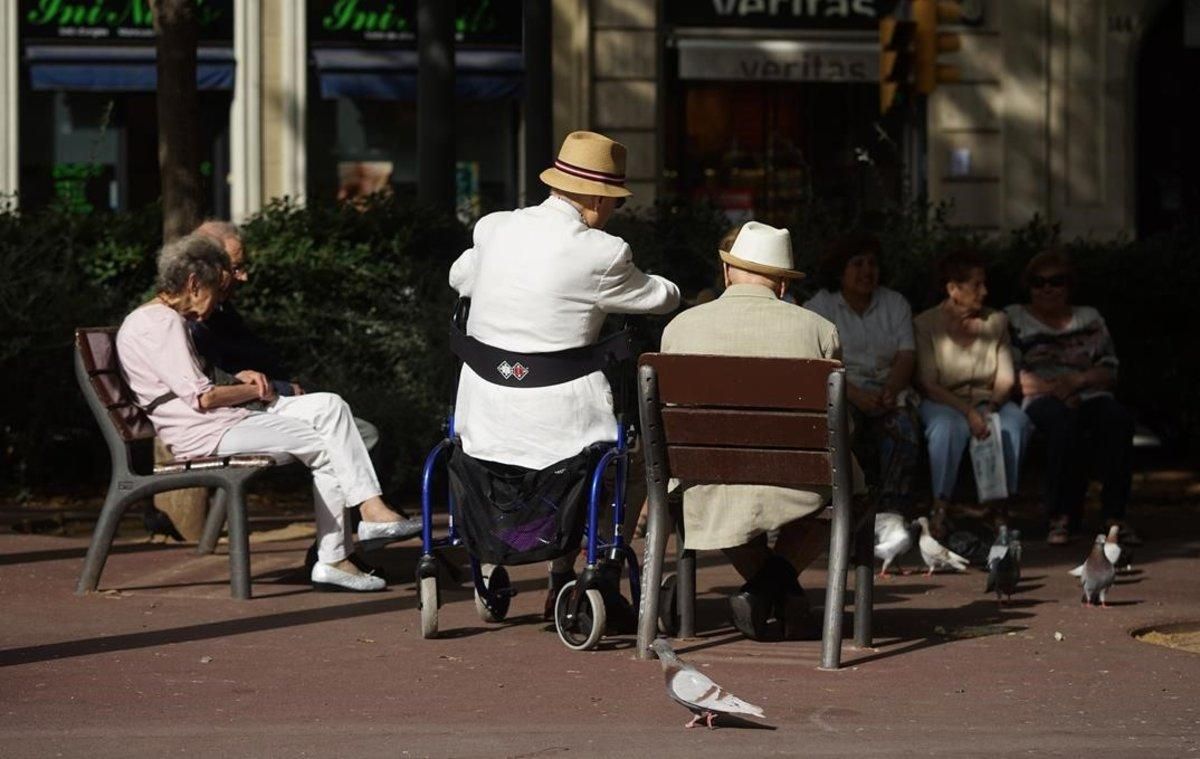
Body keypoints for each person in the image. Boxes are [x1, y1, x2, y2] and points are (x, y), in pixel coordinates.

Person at [449, 130, 680, 617]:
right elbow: (658, 299)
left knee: (512, 461)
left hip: (483, 416)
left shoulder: (494, 228)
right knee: (632, 465)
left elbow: (460, 277)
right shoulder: (603, 252)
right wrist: (675, 288)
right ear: (597, 198)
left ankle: (495, 555)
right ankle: (575, 573)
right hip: (563, 428)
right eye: (613, 200)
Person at [117, 233, 414, 592]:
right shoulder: (159, 323)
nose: (212, 307)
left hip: (223, 423)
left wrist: (242, 382)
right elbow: (203, 398)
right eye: (214, 290)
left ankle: (370, 513)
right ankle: (336, 556)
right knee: (325, 442)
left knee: (330, 406)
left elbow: (195, 387)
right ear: (194, 284)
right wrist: (254, 388)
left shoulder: (161, 320)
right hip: (206, 433)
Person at [187, 220, 416, 561]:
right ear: (209, 268)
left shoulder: (219, 309)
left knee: (344, 420)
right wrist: (279, 387)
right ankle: (342, 543)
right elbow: (213, 386)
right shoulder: (194, 316)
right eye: (237, 267)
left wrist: (283, 386)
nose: (245, 276)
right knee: (349, 432)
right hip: (234, 419)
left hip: (259, 405)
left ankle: (349, 538)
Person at [660, 221, 841, 641]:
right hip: (797, 480)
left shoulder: (680, 328)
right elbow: (836, 421)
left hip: (706, 476)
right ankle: (775, 588)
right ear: (782, 285)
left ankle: (764, 588)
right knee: (849, 485)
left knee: (712, 490)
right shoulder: (818, 329)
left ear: (727, 273)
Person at [1005, 250, 1138, 545]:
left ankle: (1114, 516)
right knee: (1062, 423)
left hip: (1088, 391)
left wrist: (1076, 382)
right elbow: (1010, 374)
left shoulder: (1089, 318)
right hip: (1038, 394)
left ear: (1069, 286)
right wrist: (1057, 390)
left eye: (1056, 281)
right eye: (1038, 282)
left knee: (1117, 420)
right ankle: (1059, 515)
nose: (1047, 288)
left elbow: (1109, 369)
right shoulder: (1015, 318)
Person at [914, 249, 1032, 535]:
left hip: (988, 398)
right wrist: (968, 413)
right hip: (943, 400)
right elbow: (929, 382)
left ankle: (999, 507)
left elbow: (1005, 377)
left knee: (1015, 424)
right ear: (953, 289)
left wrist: (990, 410)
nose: (984, 291)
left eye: (984, 283)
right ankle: (940, 507)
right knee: (946, 428)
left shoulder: (996, 321)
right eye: (976, 285)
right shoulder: (926, 323)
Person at [805, 234, 921, 514]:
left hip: (886, 391)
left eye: (872, 263)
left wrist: (890, 390)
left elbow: (907, 354)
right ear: (839, 270)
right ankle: (846, 509)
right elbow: (818, 362)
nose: (867, 271)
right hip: (842, 391)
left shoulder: (895, 304)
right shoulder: (820, 307)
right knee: (842, 430)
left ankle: (892, 513)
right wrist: (855, 395)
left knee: (903, 430)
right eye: (857, 264)